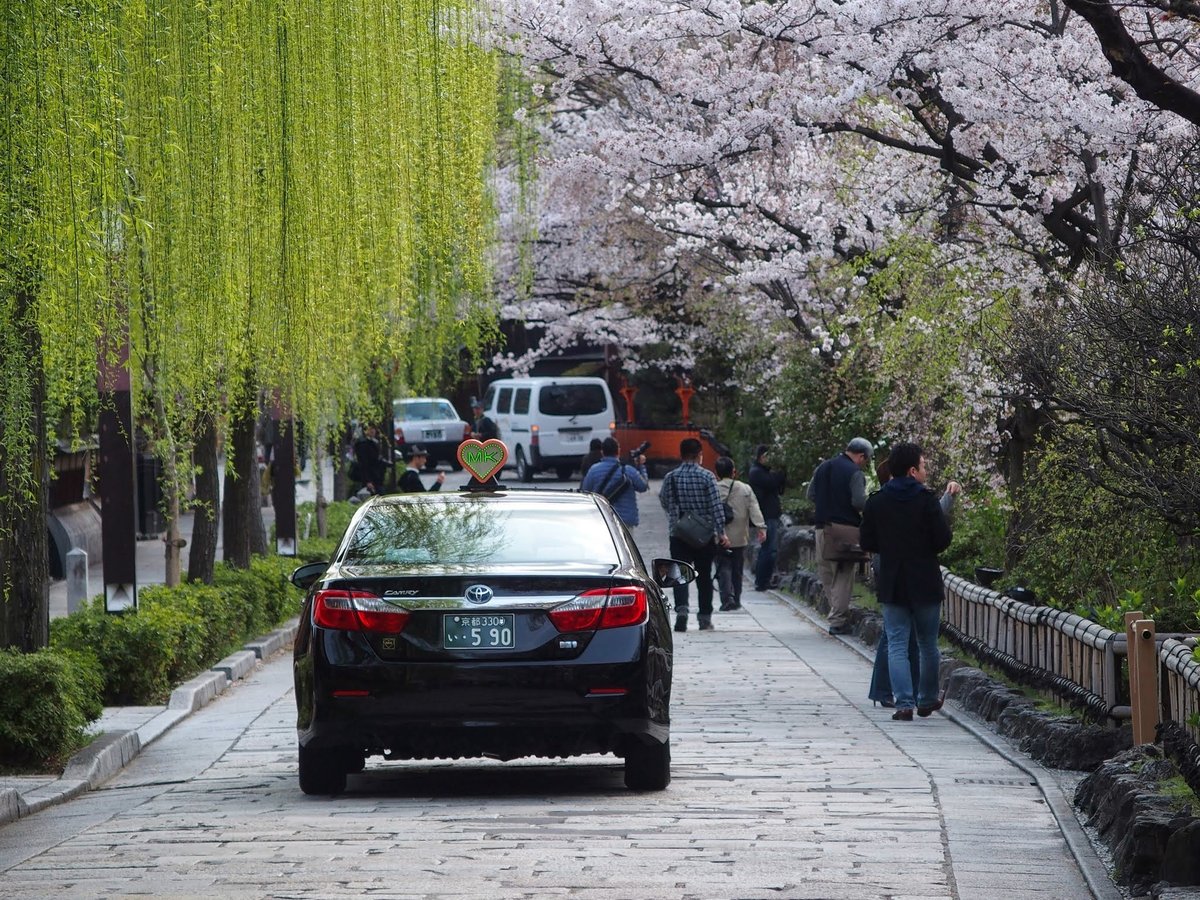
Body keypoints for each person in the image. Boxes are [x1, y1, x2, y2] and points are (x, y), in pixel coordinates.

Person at [859, 442, 953, 721]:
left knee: (897, 642)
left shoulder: (877, 501)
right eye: (924, 466)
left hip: (893, 579)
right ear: (912, 471)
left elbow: (867, 540)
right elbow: (943, 539)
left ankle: (903, 702)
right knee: (927, 644)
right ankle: (926, 699)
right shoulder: (926, 501)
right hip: (924, 578)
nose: (926, 470)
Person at [659, 437, 730, 632]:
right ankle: (704, 618)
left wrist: (676, 516)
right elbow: (716, 507)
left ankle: (682, 610)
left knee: (678, 574)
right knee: (704, 576)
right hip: (703, 536)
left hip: (678, 533)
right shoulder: (707, 477)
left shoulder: (671, 477)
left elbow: (664, 500)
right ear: (699, 454)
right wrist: (721, 532)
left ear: (681, 455)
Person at [807, 436, 873, 634]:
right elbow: (859, 502)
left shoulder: (823, 467)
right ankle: (838, 620)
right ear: (861, 456)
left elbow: (810, 494)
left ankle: (835, 614)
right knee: (843, 576)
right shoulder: (854, 473)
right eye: (866, 460)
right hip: (844, 531)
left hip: (821, 528)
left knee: (827, 574)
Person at [714, 456, 766, 611]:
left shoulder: (713, 488)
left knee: (723, 567)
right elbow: (754, 509)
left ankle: (726, 599)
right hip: (739, 537)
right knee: (737, 569)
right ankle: (736, 599)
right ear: (734, 472)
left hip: (719, 537)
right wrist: (761, 528)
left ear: (716, 473)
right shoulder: (745, 489)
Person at [580, 437, 649, 526]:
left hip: (602, 519)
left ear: (602, 452)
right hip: (625, 521)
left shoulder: (593, 470)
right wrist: (641, 466)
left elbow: (585, 493)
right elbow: (643, 486)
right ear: (618, 451)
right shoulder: (628, 470)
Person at [748, 443, 786, 591]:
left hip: (770, 514)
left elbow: (779, 486)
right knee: (768, 549)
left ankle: (764, 580)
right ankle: (761, 581)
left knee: (770, 549)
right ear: (762, 457)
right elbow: (772, 482)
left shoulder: (763, 471)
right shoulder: (757, 472)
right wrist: (781, 472)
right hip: (765, 515)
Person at [352, 424, 388, 496]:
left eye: (373, 429)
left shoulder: (374, 442)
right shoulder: (363, 444)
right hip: (370, 477)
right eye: (370, 429)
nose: (372, 431)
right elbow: (363, 463)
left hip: (376, 476)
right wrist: (368, 481)